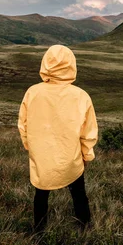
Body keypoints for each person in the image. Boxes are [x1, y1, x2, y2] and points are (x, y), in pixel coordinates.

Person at [17, 44, 98, 233]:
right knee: (79, 193)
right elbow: (88, 132)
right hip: (71, 157)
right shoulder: (81, 96)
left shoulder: (32, 92)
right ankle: (85, 227)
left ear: (45, 63)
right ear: (71, 64)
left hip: (42, 157)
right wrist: (87, 156)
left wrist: (32, 148)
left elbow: (23, 125)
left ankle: (39, 230)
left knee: (41, 194)